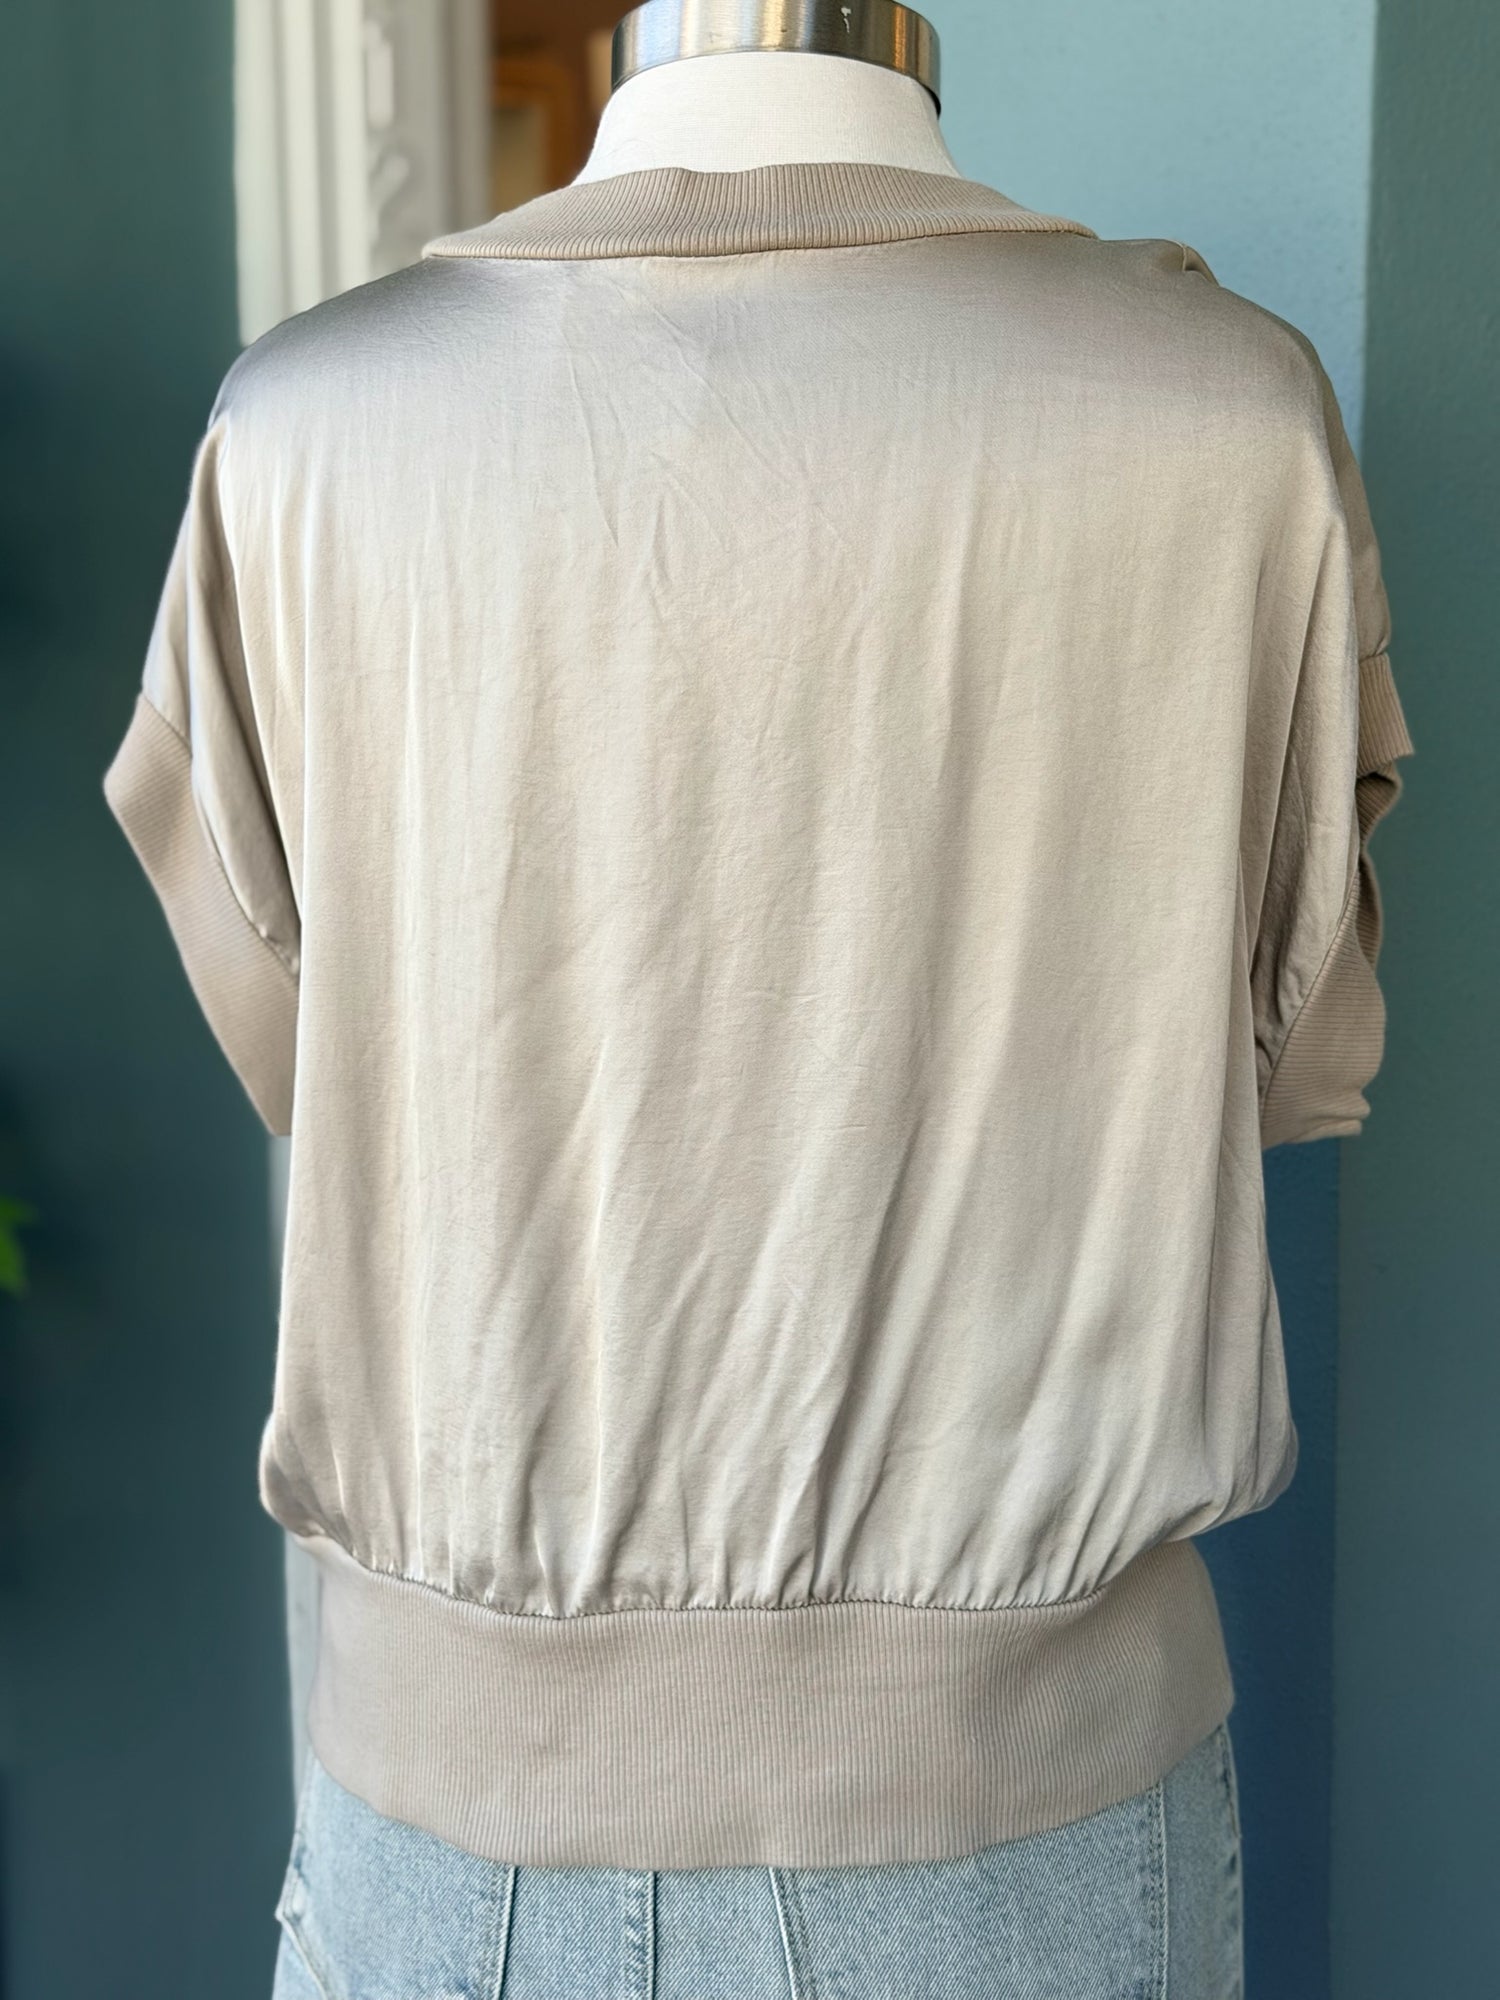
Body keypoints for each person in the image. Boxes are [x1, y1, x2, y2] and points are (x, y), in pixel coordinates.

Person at [101, 3, 1412, 1993]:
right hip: (1027, 1848)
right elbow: (1276, 1054)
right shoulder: (1223, 416)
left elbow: (302, 1053)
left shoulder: (298, 434)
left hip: (462, 1835)